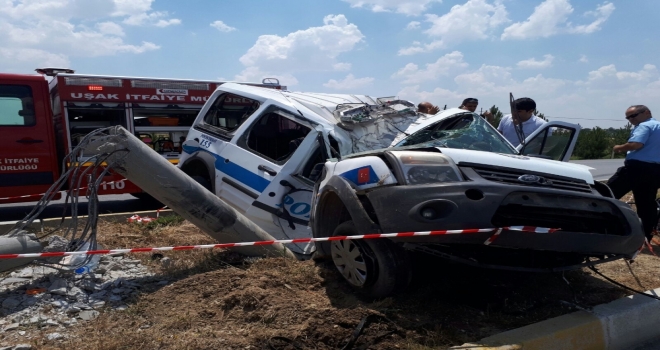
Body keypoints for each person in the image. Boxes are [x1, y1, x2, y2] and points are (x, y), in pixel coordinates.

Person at [606, 105, 660, 241]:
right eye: (628, 117)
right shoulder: (658, 126)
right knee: (646, 204)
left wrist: (619, 147)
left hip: (636, 168)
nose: (631, 119)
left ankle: (599, 227)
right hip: (655, 171)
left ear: (647, 112)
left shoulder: (644, 126)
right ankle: (644, 236)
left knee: (606, 195)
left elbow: (636, 144)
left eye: (633, 115)